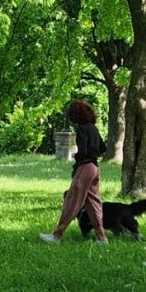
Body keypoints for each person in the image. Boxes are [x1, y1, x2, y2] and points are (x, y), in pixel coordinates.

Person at [39, 100, 108, 244]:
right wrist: (93, 153)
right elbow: (103, 148)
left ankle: (56, 235)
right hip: (95, 168)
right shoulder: (93, 128)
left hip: (84, 167)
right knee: (94, 203)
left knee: (72, 200)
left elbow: (82, 151)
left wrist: (78, 156)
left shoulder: (82, 129)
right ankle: (102, 238)